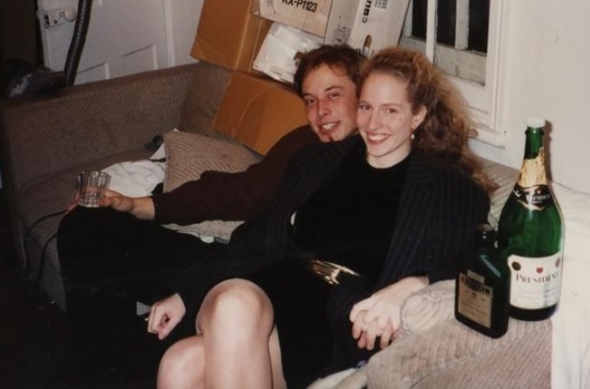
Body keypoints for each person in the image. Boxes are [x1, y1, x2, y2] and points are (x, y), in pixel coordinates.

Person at [147, 47, 497, 389]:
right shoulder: (317, 161)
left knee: (181, 365)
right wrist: (185, 293)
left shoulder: (448, 186)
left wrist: (416, 283)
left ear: (417, 115)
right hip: (269, 282)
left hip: (331, 318)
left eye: (390, 110)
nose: (374, 123)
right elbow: (258, 234)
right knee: (234, 305)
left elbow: (478, 264)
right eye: (366, 107)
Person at [55, 45, 365, 370]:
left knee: (159, 348)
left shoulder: (374, 166)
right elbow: (239, 192)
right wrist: (137, 205)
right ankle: (97, 359)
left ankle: (105, 362)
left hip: (267, 287)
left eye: (333, 95)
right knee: (88, 223)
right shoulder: (305, 143)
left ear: (362, 94)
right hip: (235, 261)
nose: (321, 111)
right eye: (311, 101)